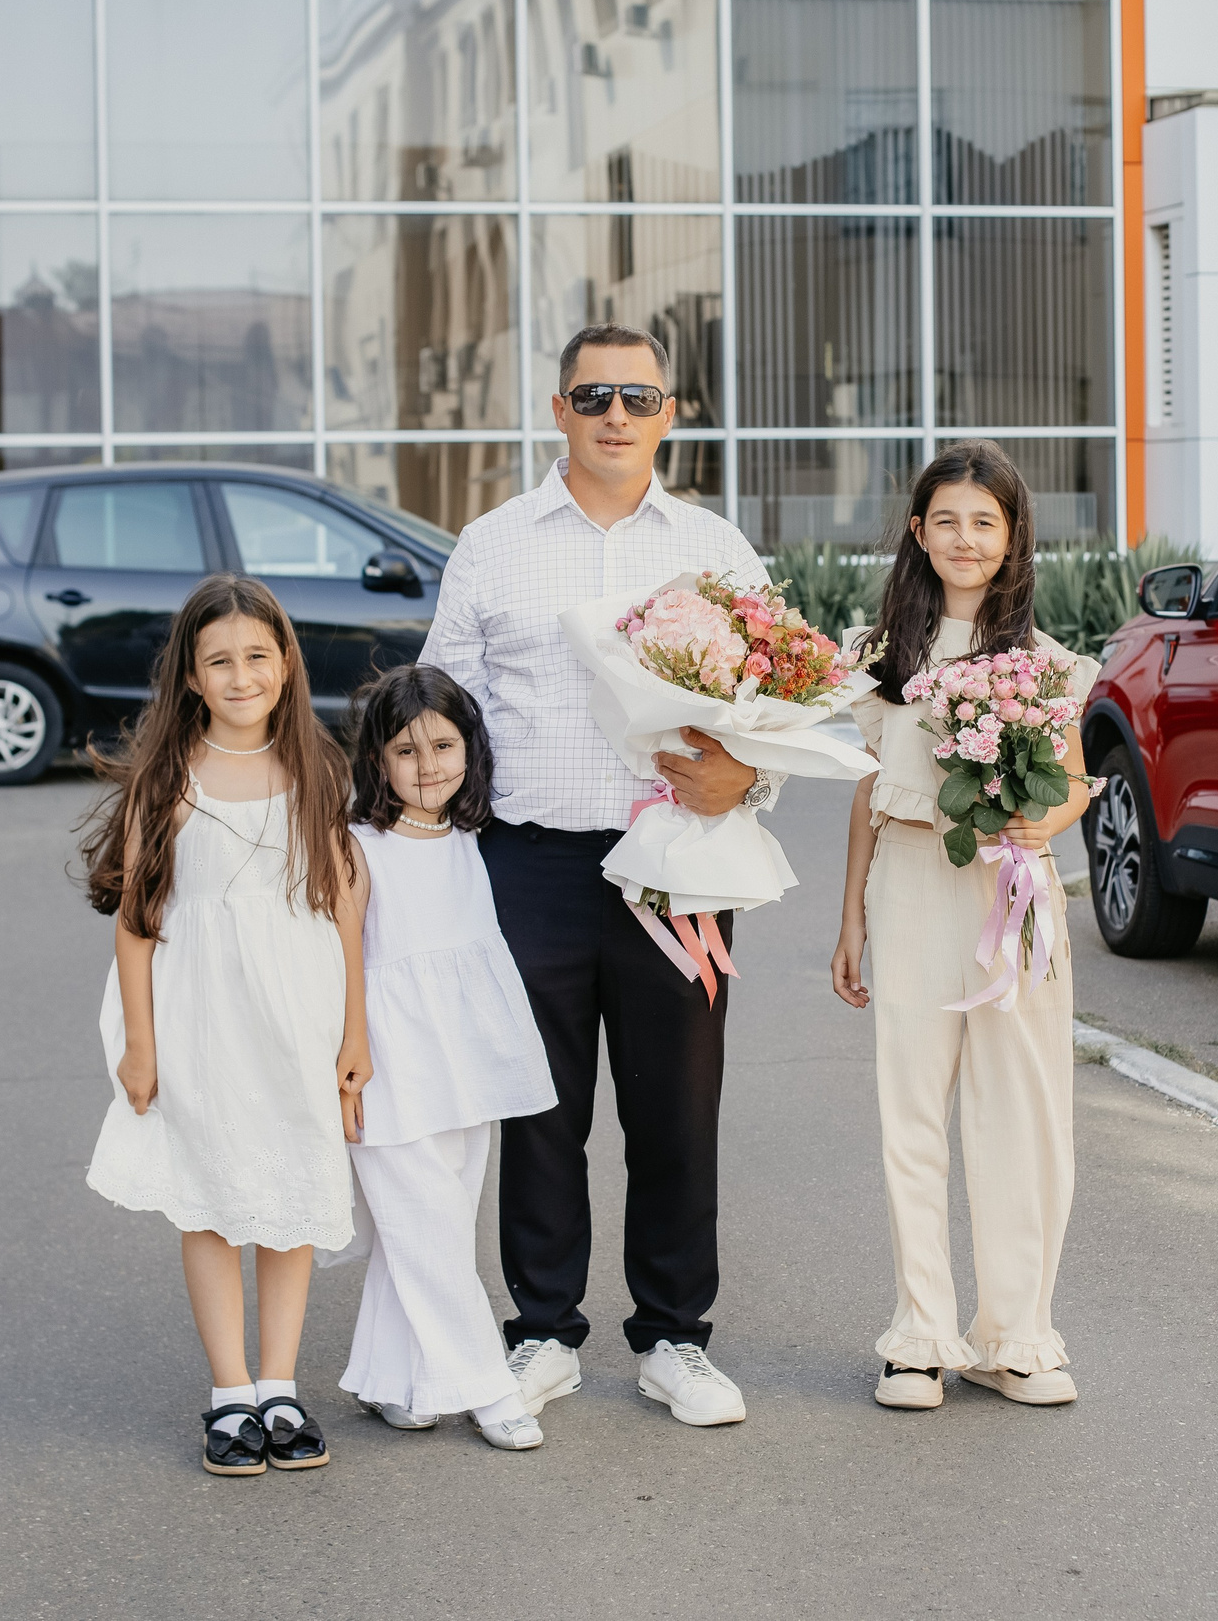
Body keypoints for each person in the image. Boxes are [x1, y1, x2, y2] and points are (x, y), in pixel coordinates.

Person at [421, 322, 772, 1429]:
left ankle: (675, 1337)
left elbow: (771, 704)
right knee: (540, 1111)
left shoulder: (717, 549)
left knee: (677, 1110)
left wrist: (742, 775)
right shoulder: (493, 543)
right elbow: (442, 711)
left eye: (637, 394)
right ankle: (541, 1333)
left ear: (670, 412)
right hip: (529, 865)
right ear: (559, 410)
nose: (615, 413)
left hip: (681, 873)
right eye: (592, 395)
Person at [829, 441, 1096, 1412]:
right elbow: (869, 792)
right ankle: (918, 1337)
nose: (964, 538)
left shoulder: (1045, 663)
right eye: (945, 519)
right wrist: (851, 921)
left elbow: (1069, 781)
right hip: (910, 886)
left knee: (1021, 1116)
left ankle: (1017, 1336)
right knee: (911, 1113)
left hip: (1011, 891)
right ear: (916, 532)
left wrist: (1050, 820)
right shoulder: (877, 657)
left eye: (984, 521)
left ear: (1013, 535)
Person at [82, 573, 369, 1475]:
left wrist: (355, 1029)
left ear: (285, 661)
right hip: (199, 1011)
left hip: (298, 1010)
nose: (241, 674)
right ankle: (230, 1391)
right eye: (220, 661)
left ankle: (280, 1385)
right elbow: (137, 918)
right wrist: (140, 1041)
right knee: (209, 1198)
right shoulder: (169, 777)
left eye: (256, 654)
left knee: (289, 1192)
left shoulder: (318, 769)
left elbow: (344, 906)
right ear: (192, 677)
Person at [338, 663, 559, 1452]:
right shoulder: (357, 845)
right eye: (406, 750)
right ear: (376, 760)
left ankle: (394, 1378)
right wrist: (349, 1049)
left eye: (443, 743)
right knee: (423, 1218)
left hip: (465, 1057)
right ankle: (488, 1386)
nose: (428, 764)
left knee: (435, 1222)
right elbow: (344, 958)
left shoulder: (471, 836)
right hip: (389, 1058)